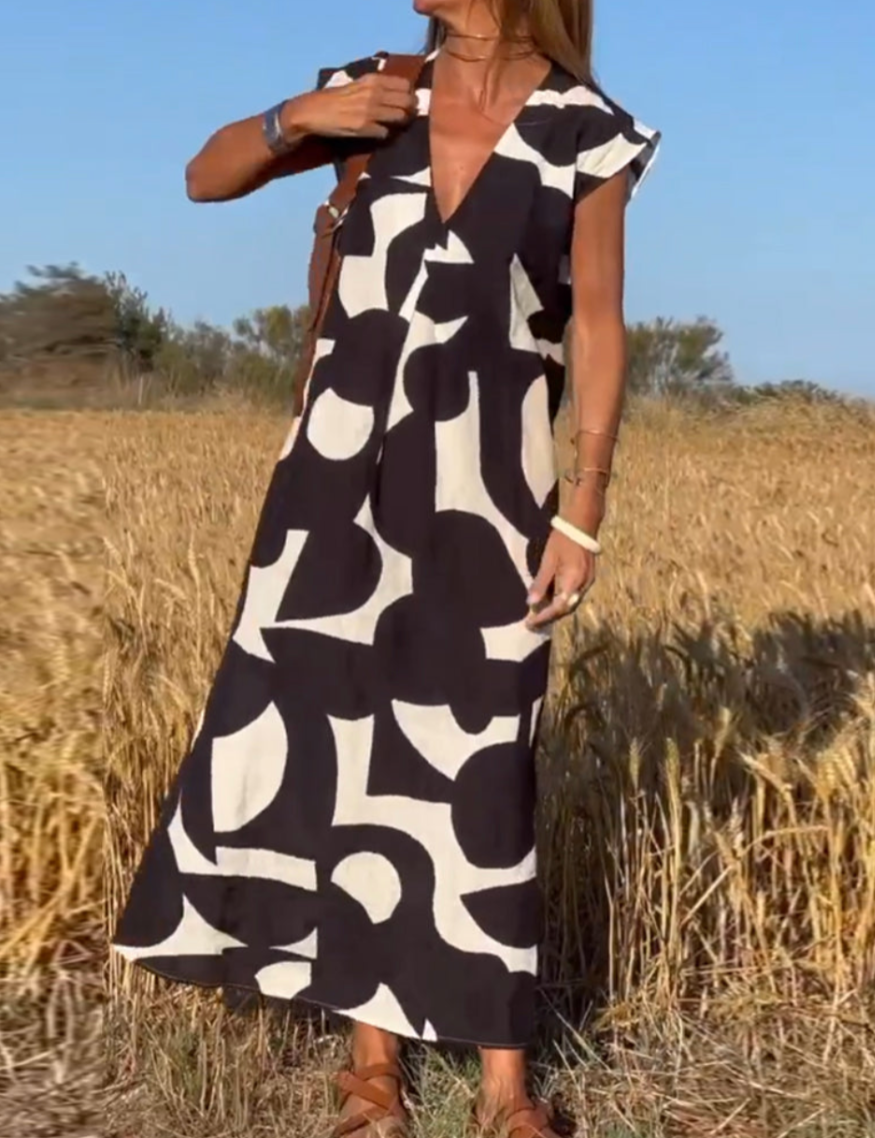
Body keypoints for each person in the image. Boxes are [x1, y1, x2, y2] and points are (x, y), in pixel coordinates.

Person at [113, 1, 659, 1134]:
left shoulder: (585, 129)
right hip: (333, 477)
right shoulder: (377, 87)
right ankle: (373, 1067)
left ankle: (505, 1085)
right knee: (343, 740)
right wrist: (297, 117)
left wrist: (585, 507)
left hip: (493, 490)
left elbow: (599, 326)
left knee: (483, 760)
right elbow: (205, 179)